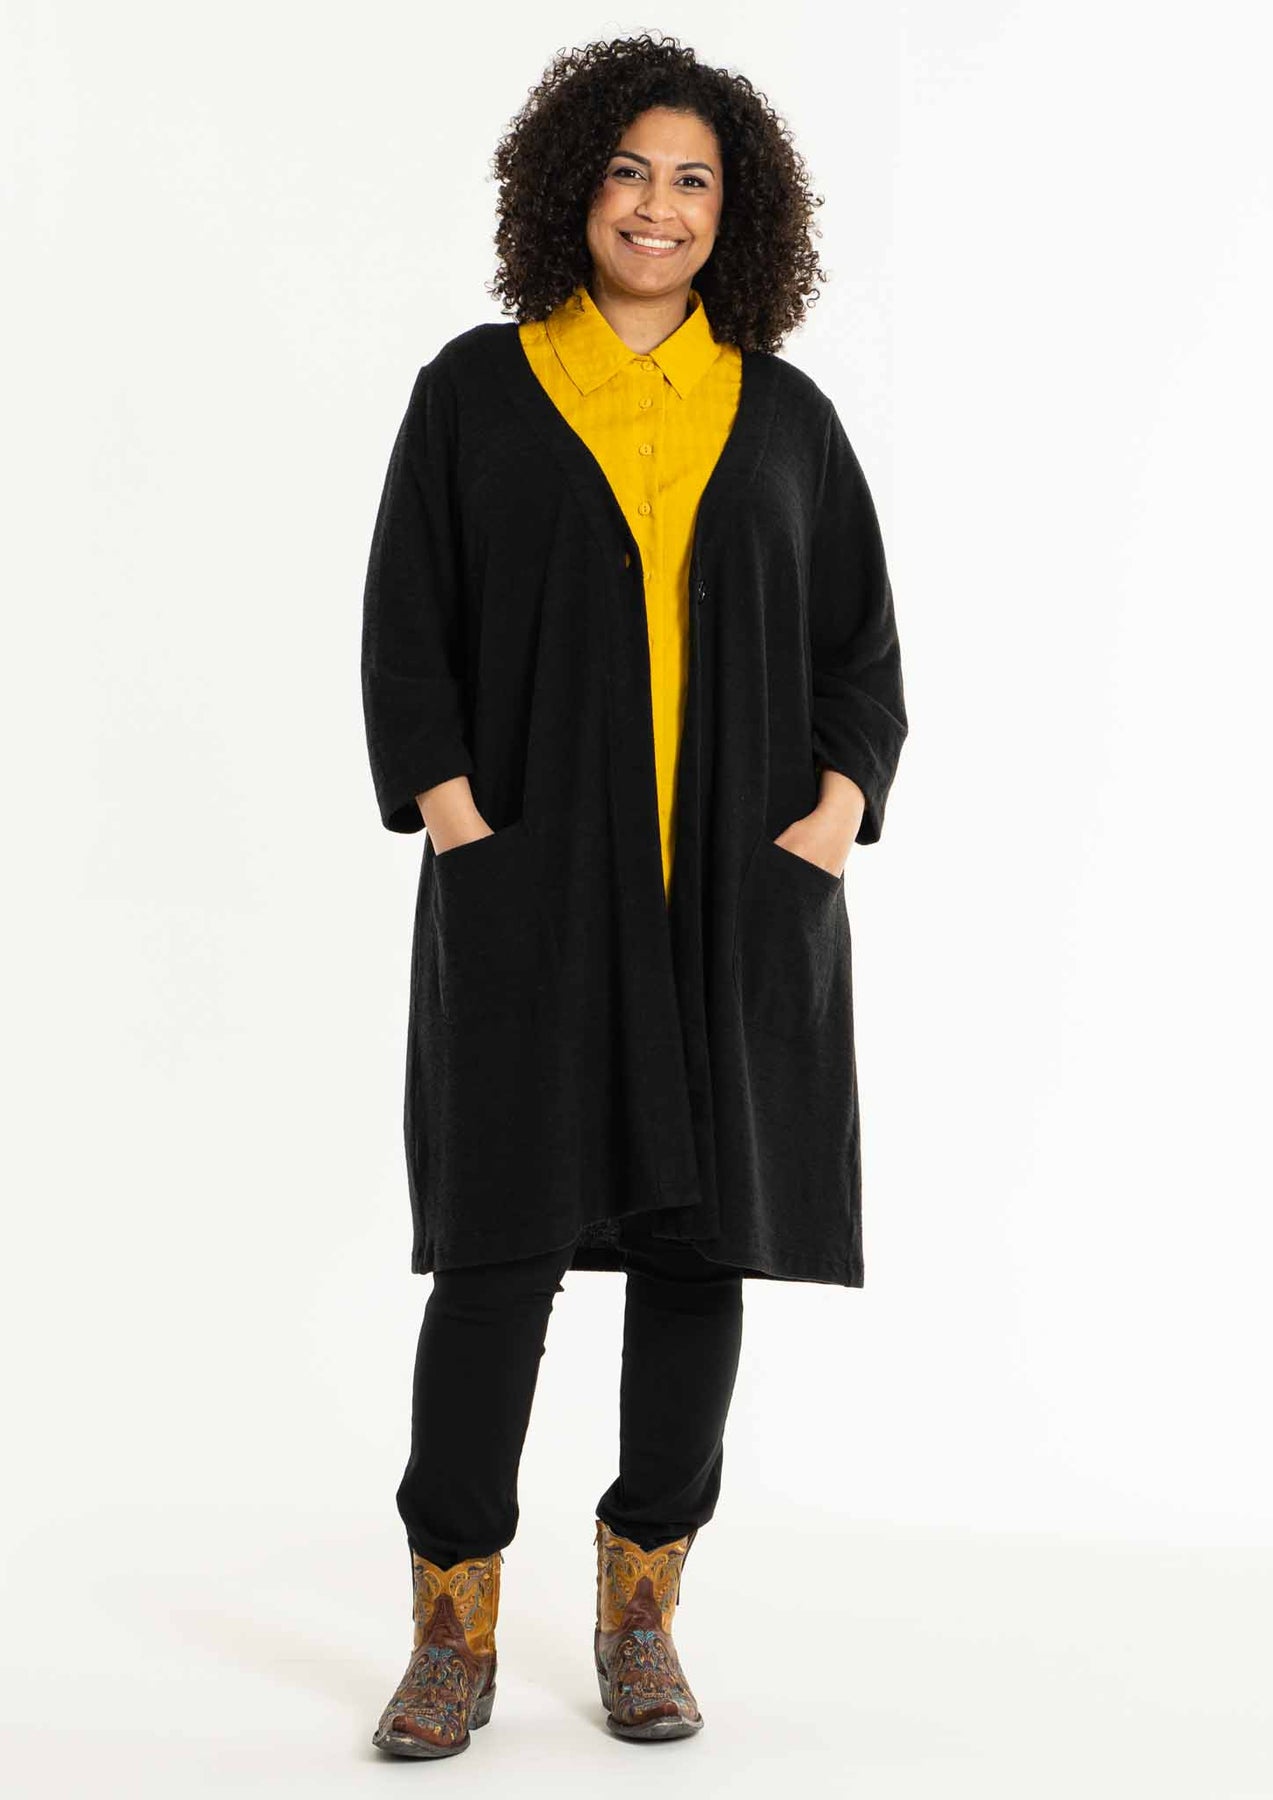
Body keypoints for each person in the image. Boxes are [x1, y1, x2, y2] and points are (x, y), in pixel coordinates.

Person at [360, 32, 908, 1757]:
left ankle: (641, 1613)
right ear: (570, 187)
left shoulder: (785, 419)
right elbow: (405, 633)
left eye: (693, 180)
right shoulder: (478, 390)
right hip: (529, 892)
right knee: (498, 1250)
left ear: (735, 214)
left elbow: (860, 655)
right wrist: (462, 824)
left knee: (697, 1251)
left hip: (732, 907)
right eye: (627, 170)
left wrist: (832, 815)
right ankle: (450, 1625)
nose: (656, 207)